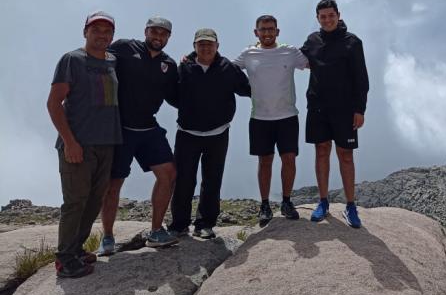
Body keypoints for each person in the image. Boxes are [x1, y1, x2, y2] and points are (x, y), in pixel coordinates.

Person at [47, 11, 122, 278]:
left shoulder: (112, 61)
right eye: (96, 29)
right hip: (79, 143)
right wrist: (69, 142)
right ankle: (64, 259)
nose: (102, 35)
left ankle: (76, 249)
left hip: (107, 142)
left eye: (107, 31)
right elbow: (54, 103)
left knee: (93, 201)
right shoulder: (72, 59)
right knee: (75, 201)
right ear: (85, 32)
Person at [98, 16, 179, 253]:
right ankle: (108, 237)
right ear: (146, 31)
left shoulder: (169, 64)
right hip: (120, 128)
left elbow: (176, 96)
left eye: (163, 34)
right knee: (114, 183)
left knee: (168, 173)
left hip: (148, 128)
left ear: (168, 37)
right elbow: (99, 62)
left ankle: (156, 231)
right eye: (154, 31)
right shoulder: (124, 47)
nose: (158, 37)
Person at [168, 28, 252, 239]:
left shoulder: (228, 68)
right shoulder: (184, 67)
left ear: (217, 46)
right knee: (183, 180)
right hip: (187, 133)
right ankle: (179, 224)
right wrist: (187, 109)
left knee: (212, 180)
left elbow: (247, 89)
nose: (206, 48)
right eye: (201, 44)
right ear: (195, 46)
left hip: (218, 133)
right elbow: (171, 94)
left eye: (210, 44)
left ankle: (205, 223)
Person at [233, 15, 308, 225]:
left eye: (271, 29)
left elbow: (315, 63)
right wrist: (192, 58)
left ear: (278, 31)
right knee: (265, 161)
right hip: (260, 117)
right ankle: (265, 205)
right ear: (256, 32)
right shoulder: (248, 54)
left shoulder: (290, 51)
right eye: (263, 29)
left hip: (287, 116)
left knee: (289, 159)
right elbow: (224, 68)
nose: (267, 33)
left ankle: (286, 201)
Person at [301, 0, 369, 228]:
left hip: (345, 109)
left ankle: (350, 206)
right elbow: (293, 58)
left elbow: (362, 79)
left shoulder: (352, 42)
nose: (328, 20)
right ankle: (323, 202)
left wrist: (360, 109)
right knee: (321, 151)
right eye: (323, 16)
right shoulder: (312, 40)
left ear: (338, 15)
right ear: (318, 18)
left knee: (345, 155)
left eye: (331, 15)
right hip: (318, 107)